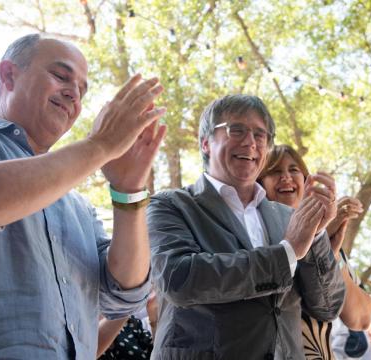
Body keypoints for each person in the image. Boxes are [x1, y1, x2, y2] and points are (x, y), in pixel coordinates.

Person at [0, 33, 167, 358]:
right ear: (9, 74)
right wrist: (100, 147)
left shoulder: (78, 206)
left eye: (82, 90)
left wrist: (129, 191)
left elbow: (125, 296)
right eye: (61, 76)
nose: (73, 95)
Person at [146, 95, 345, 359]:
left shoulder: (288, 217)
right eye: (236, 130)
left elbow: (328, 306)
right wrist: (287, 252)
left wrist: (316, 231)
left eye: (260, 135)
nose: (250, 141)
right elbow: (179, 279)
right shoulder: (170, 205)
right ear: (206, 142)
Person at [258, 144, 371, 360]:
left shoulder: (327, 240)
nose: (286, 177)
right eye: (274, 171)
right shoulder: (255, 237)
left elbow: (361, 319)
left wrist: (332, 255)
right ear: (259, 183)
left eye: (294, 170)